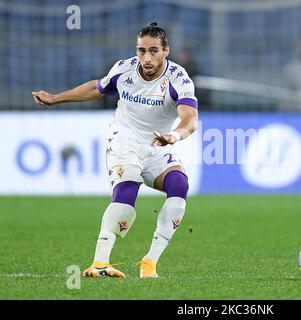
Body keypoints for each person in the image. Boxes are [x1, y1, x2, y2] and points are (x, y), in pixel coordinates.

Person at [32, 22, 199, 279]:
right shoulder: (124, 70)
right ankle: (100, 263)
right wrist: (55, 98)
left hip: (158, 144)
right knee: (127, 189)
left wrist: (174, 135)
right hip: (124, 140)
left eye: (153, 51)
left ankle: (149, 263)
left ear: (166, 51)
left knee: (179, 185)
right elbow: (96, 88)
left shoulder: (178, 79)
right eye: (141, 50)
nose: (146, 57)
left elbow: (190, 119)